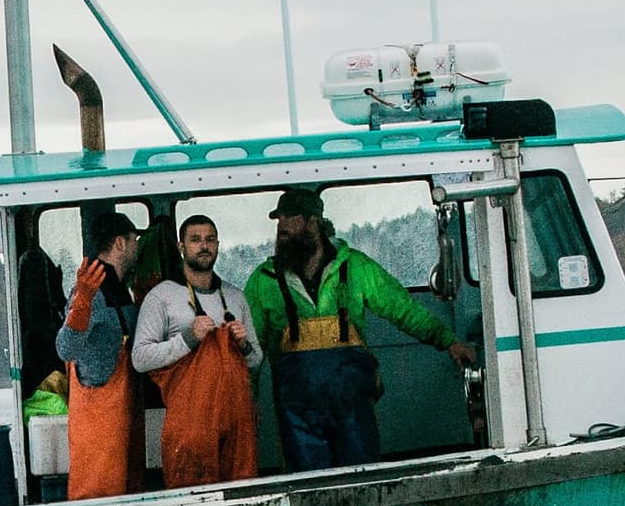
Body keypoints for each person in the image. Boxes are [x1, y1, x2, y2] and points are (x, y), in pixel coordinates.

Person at [244, 185, 474, 469]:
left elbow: (403, 309)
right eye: (279, 219)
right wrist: (247, 398)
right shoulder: (262, 280)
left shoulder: (356, 267)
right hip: (298, 418)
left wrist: (448, 341)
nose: (281, 227)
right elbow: (250, 351)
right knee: (307, 489)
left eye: (289, 217)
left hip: (353, 409)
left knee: (361, 479)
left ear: (313, 221)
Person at [132, 210, 261, 487]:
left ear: (217, 245)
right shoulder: (162, 296)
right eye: (195, 239)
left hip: (238, 429)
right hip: (192, 427)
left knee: (242, 495)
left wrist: (244, 345)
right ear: (181, 247)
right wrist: (188, 338)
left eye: (210, 239)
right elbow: (140, 358)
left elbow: (257, 361)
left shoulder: (236, 297)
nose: (204, 245)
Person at [53, 206, 143, 499]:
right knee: (96, 493)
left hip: (122, 410)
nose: (137, 247)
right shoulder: (90, 290)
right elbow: (66, 348)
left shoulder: (120, 288)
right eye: (134, 240)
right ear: (120, 243)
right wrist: (82, 304)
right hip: (97, 415)